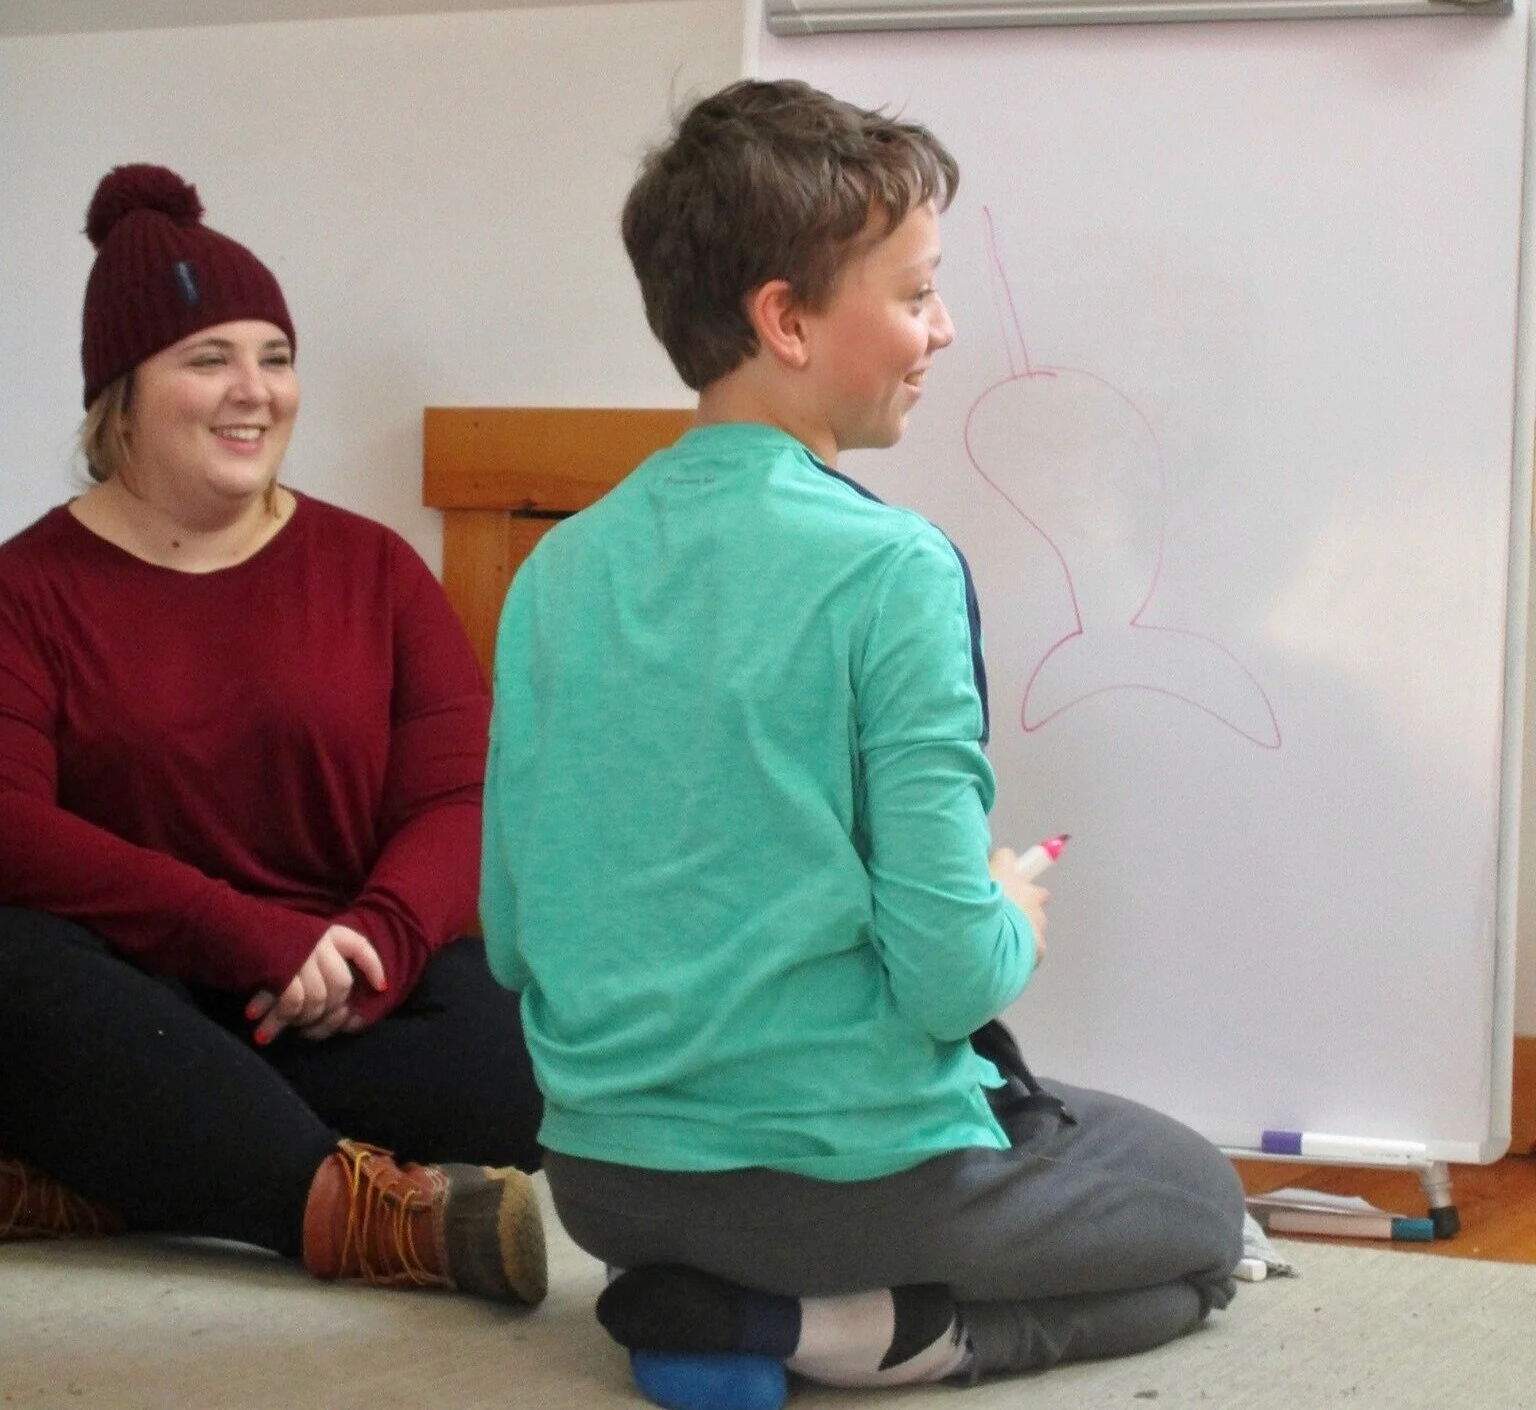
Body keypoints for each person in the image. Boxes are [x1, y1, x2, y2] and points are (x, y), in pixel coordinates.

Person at [479, 79, 1245, 1408]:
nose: (941, 330)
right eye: (914, 294)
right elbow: (952, 979)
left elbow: (508, 934)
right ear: (787, 319)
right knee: (1201, 1218)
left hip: (603, 1183)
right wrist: (1010, 909)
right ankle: (814, 1332)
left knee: (1100, 1184)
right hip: (837, 1190)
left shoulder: (556, 571)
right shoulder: (892, 566)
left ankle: (719, 1308)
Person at [0, 163, 546, 1306]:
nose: (255, 392)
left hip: (337, 992)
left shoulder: (374, 568)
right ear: (121, 395)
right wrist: (234, 929)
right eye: (209, 360)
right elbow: (11, 828)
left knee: (512, 1063)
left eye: (275, 357)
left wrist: (382, 943)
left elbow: (459, 795)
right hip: (133, 994)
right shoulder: (28, 586)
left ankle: (119, 1177)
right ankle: (358, 1215)